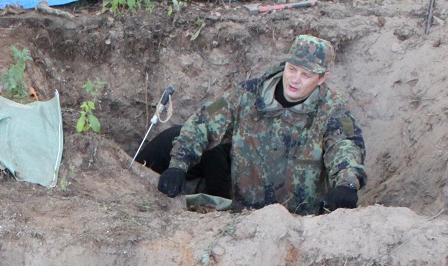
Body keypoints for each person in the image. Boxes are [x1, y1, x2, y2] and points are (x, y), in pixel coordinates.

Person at [138, 35, 365, 215]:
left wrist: (347, 184)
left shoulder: (332, 109)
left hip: (299, 223)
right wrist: (178, 165)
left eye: (305, 75)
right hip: (243, 218)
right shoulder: (248, 95)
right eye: (292, 69)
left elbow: (344, 147)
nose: (295, 79)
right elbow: (203, 123)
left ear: (322, 78)